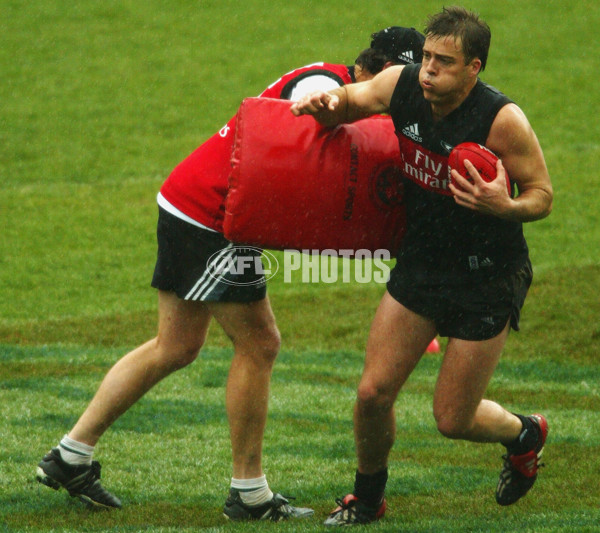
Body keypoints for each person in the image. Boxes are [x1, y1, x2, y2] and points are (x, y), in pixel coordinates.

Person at [35, 27, 426, 522]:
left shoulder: (336, 78)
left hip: (190, 203)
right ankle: (249, 493)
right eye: (403, 82)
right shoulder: (326, 84)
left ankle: (69, 456)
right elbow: (311, 110)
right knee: (259, 343)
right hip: (212, 219)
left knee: (174, 346)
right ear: (377, 70)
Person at [291, 6, 553, 527]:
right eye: (427, 57)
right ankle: (368, 499)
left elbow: (543, 195)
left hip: (487, 275)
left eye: (445, 62)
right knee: (371, 393)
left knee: (452, 419)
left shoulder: (502, 119)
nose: (429, 70)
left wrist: (505, 207)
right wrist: (327, 102)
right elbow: (349, 103)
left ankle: (524, 433)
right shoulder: (403, 84)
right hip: (423, 262)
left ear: (474, 68)